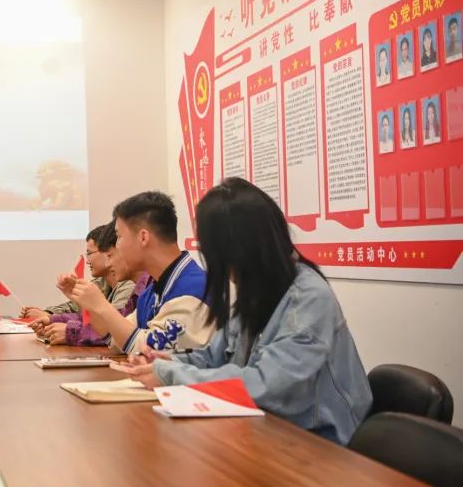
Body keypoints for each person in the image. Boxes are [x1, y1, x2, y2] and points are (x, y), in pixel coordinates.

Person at [114, 178, 372, 445]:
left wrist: (170, 374)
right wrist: (168, 362)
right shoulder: (259, 292)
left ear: (239, 249)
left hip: (321, 445)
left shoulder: (306, 299)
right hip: (268, 431)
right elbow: (215, 355)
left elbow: (266, 385)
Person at [58, 191, 210, 355]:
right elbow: (116, 337)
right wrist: (84, 301)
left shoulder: (192, 289)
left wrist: (101, 305)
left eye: (119, 237)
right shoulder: (152, 291)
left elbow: (149, 349)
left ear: (143, 237)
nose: (117, 245)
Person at [39, 222, 151, 346]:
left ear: (142, 239)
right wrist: (52, 318)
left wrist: (71, 331)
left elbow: (119, 331)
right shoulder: (141, 288)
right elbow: (117, 329)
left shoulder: (136, 286)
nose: (108, 263)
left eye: (109, 255)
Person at [21, 225, 115, 325]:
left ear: (107, 251)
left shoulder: (125, 286)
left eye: (89, 253)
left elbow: (108, 325)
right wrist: (48, 314)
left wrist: (54, 320)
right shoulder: (101, 283)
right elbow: (74, 308)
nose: (87, 261)